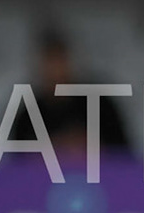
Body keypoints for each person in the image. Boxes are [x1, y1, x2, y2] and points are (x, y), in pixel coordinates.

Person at [7, 29, 130, 159]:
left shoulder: (100, 105)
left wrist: (86, 147)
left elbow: (124, 157)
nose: (56, 71)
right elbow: (16, 168)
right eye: (50, 62)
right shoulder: (26, 115)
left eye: (60, 61)